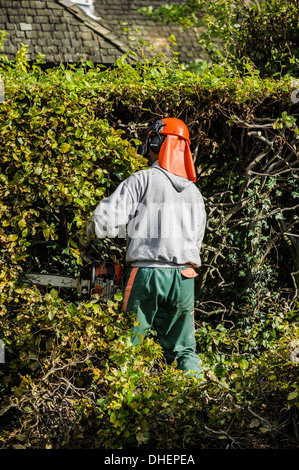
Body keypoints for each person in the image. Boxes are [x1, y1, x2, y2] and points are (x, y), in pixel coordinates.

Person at [83, 118, 206, 378]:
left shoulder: (143, 180)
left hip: (147, 273)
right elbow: (197, 239)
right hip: (185, 276)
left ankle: (123, 402)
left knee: (130, 344)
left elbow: (105, 221)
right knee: (183, 349)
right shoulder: (194, 193)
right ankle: (198, 397)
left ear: (156, 142)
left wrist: (86, 236)